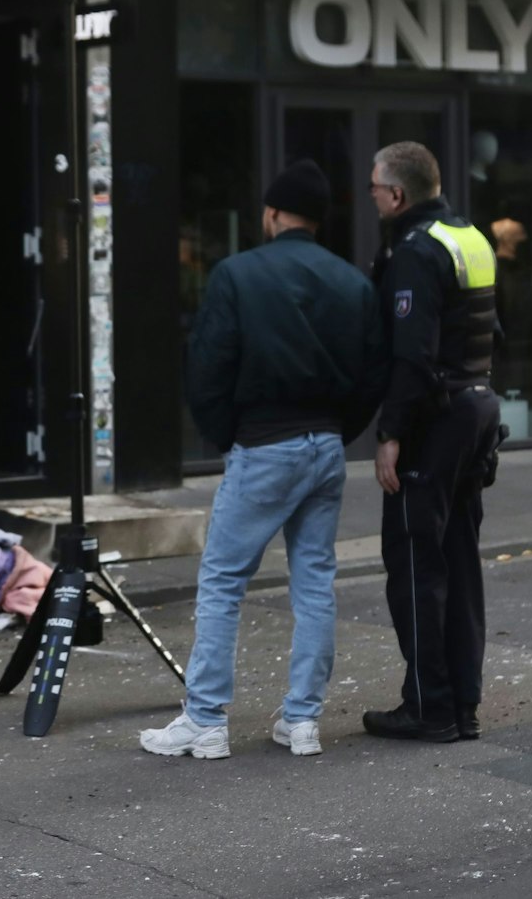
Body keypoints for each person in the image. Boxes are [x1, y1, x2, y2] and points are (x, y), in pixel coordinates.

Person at [141, 159, 388, 760]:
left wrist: (231, 434)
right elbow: (372, 372)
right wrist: (338, 430)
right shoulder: (351, 281)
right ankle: (301, 721)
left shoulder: (237, 274)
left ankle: (204, 719)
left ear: (273, 214)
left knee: (224, 580)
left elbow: (207, 367)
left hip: (265, 442)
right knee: (314, 583)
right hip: (326, 446)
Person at [361, 141, 503, 746]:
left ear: (397, 195)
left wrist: (390, 433)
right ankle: (461, 703)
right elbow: (491, 326)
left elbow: (413, 358)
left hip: (435, 419)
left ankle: (429, 706)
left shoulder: (417, 253)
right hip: (475, 408)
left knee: (417, 563)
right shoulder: (468, 234)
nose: (372, 198)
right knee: (460, 559)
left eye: (375, 189)